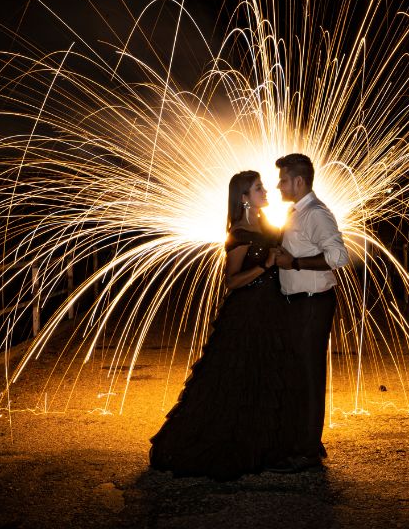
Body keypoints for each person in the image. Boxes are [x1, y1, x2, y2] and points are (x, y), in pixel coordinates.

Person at [148, 170, 303, 482]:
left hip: (273, 311)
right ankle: (238, 443)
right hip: (247, 314)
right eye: (259, 188)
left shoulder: (267, 225)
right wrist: (264, 265)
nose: (266, 190)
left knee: (268, 374)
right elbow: (230, 281)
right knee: (238, 377)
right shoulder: (240, 235)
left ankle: (272, 443)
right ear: (244, 197)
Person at [269, 153, 349, 473]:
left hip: (313, 302)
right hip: (302, 302)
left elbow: (338, 257)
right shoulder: (297, 213)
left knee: (308, 375)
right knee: (301, 373)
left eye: (284, 180)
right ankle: (307, 441)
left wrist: (294, 263)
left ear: (299, 182)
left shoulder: (315, 214)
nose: (278, 185)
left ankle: (306, 454)